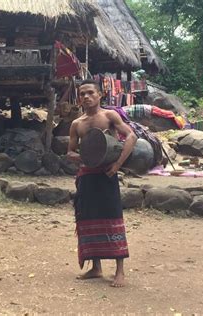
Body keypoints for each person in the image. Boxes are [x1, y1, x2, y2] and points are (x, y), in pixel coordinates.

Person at [67, 79, 138, 287]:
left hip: (107, 175)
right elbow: (70, 151)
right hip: (86, 176)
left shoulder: (110, 116)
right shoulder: (76, 124)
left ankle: (120, 271)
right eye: (82, 94)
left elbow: (131, 136)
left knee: (112, 217)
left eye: (90, 93)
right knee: (87, 219)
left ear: (100, 95)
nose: (86, 97)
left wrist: (116, 165)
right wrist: (84, 157)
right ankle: (96, 268)